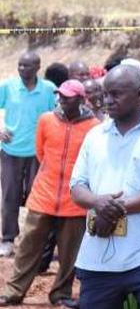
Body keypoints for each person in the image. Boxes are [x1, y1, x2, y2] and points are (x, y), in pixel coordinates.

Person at [69, 65, 140, 308]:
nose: (107, 100)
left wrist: (113, 208)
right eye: (105, 93)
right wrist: (98, 202)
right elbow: (77, 186)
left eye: (116, 94)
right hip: (98, 259)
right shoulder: (95, 136)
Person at [0, 80, 99, 308]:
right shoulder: (46, 120)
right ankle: (14, 291)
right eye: (60, 96)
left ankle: (61, 294)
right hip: (43, 196)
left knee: (70, 253)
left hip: (75, 200)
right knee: (27, 248)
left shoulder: (94, 126)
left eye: (68, 97)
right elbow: (40, 152)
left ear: (81, 99)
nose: (62, 100)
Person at [0, 52, 57, 257]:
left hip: (39, 153)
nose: (22, 69)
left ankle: (34, 240)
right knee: (9, 196)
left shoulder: (48, 90)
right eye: (20, 65)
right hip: (10, 151)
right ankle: (7, 239)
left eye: (27, 65)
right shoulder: (8, 87)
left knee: (37, 196)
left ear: (38, 67)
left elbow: (57, 115)